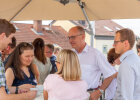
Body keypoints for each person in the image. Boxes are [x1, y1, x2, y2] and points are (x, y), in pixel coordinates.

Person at [68, 26, 117, 100]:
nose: (70, 40)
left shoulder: (95, 54)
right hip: (71, 95)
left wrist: (99, 91)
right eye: (69, 38)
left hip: (89, 95)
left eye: (73, 37)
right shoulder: (69, 54)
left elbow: (111, 74)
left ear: (83, 37)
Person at [0, 19, 36, 100]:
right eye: (10, 38)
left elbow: (4, 90)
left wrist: (18, 88)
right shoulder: (10, 69)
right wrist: (27, 96)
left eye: (32, 56)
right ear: (3, 36)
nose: (10, 41)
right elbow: (2, 97)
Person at [113, 28, 140, 100]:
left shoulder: (127, 64)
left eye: (116, 42)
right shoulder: (135, 59)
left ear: (125, 43)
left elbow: (126, 97)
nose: (113, 45)